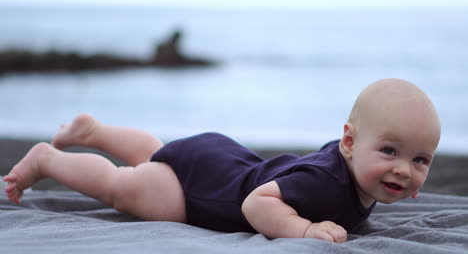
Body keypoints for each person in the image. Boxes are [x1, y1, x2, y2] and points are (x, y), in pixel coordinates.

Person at [3, 78, 441, 243]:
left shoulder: (355, 170)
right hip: (204, 193)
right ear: (349, 142)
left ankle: (94, 132)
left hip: (218, 157)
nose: (404, 168)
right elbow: (256, 205)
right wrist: (303, 229)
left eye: (420, 159)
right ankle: (48, 159)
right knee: (128, 187)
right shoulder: (325, 182)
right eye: (390, 151)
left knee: (160, 157)